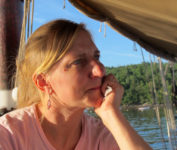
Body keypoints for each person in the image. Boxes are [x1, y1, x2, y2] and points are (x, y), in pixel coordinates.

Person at [0, 19, 152, 150]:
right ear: (43, 81)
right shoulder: (8, 135)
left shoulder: (103, 135)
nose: (100, 70)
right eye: (78, 62)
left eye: (96, 56)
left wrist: (112, 115)